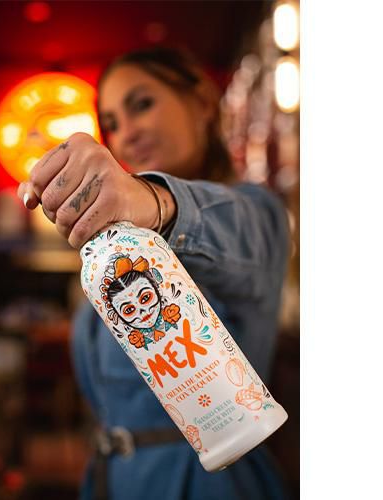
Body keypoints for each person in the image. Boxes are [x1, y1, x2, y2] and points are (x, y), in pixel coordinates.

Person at [18, 46, 291, 500]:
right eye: (112, 123)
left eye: (142, 104)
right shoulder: (119, 250)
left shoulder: (256, 213)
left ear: (201, 103)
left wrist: (153, 201)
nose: (127, 133)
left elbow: (236, 230)